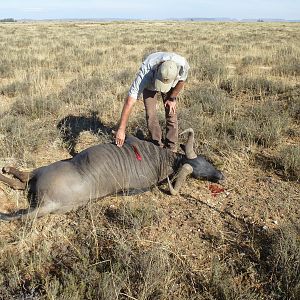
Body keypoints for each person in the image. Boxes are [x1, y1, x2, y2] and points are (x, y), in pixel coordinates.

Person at [115, 52, 189, 152]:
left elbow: (182, 81)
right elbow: (129, 101)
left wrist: (172, 98)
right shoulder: (146, 72)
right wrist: (121, 129)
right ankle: (157, 146)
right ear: (157, 69)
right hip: (150, 84)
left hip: (171, 84)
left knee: (171, 112)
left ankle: (171, 148)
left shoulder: (182, 65)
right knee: (151, 114)